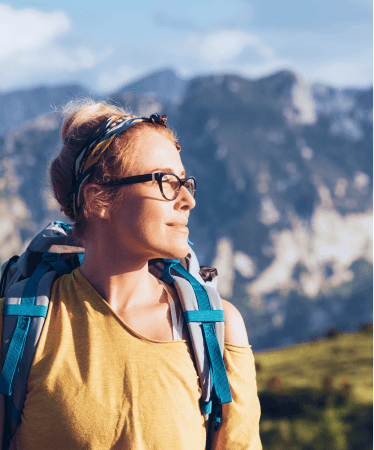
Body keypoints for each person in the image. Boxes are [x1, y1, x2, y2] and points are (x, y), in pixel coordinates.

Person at [0, 101, 262, 449]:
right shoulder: (17, 326)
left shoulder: (218, 326)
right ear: (99, 200)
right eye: (166, 181)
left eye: (185, 182)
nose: (187, 199)